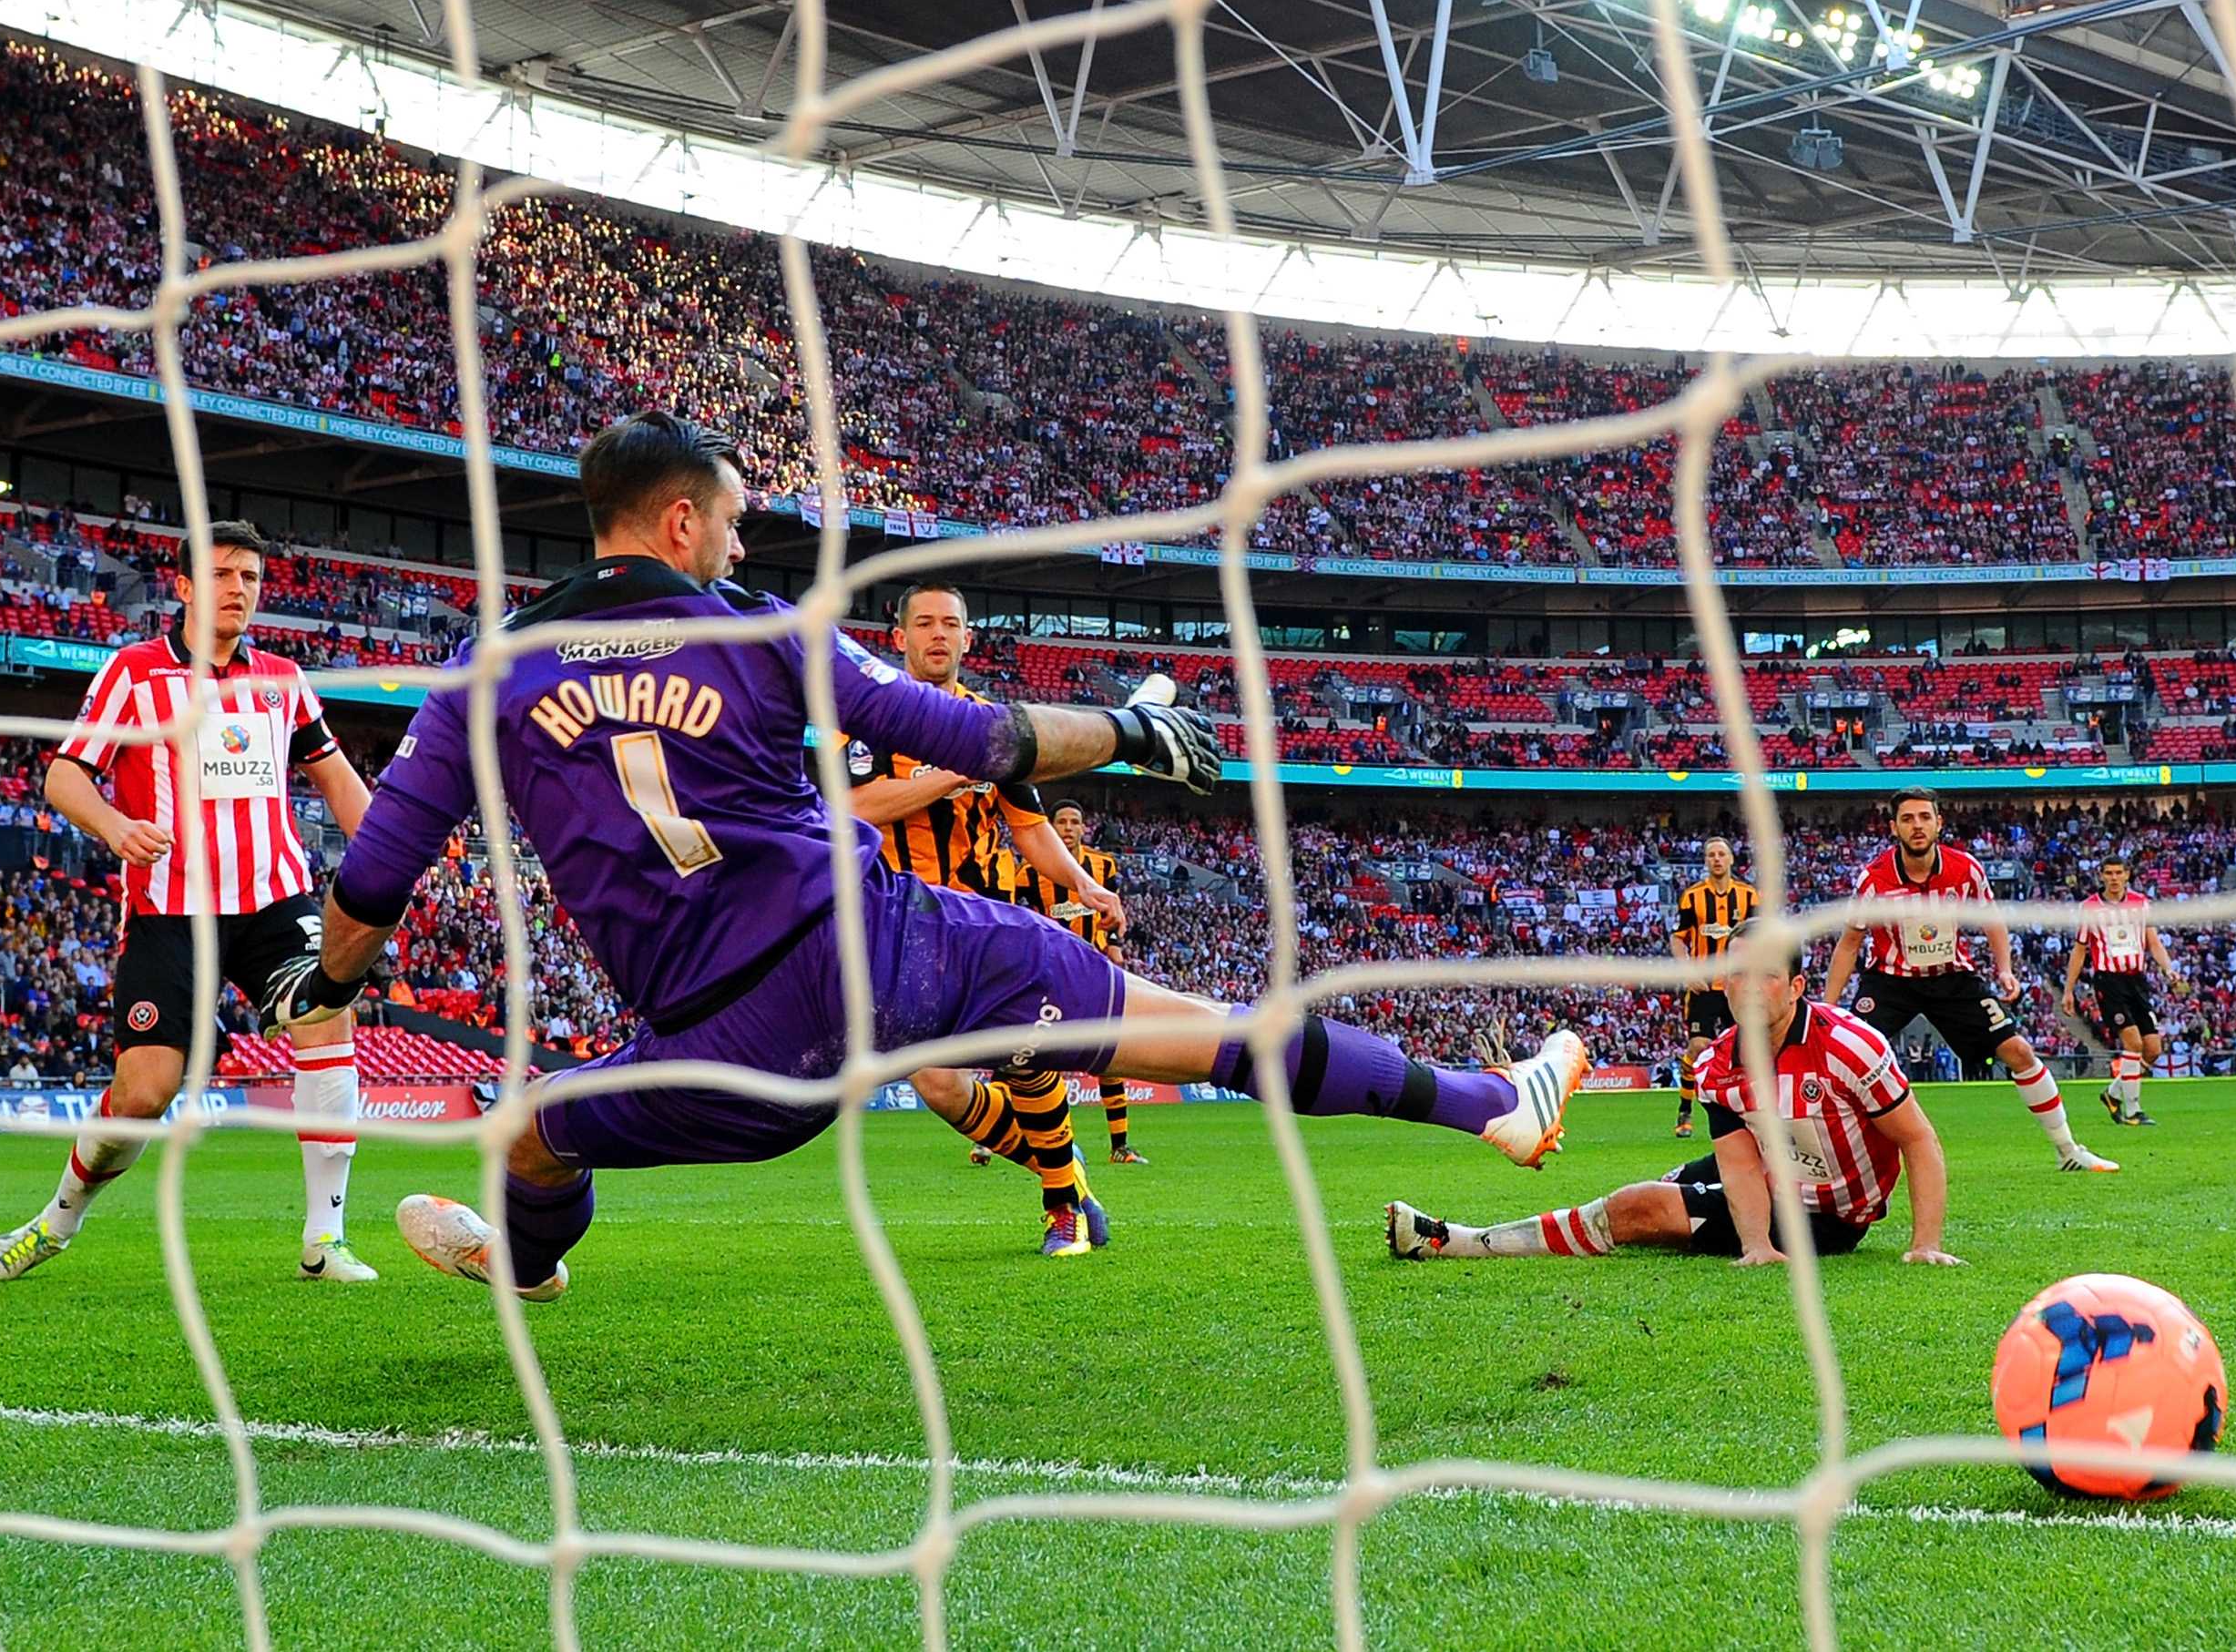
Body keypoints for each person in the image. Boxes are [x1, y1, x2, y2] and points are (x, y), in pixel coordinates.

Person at [272, 412, 1588, 1301]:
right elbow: (982, 734)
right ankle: (1486, 1104)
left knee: (533, 1132)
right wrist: (1132, 727)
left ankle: (530, 1268)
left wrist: (327, 990)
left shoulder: (484, 669)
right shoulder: (770, 629)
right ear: (677, 523)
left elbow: (376, 876)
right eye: (731, 522)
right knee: (1208, 1031)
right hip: (893, 946)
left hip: (731, 1052)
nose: (743, 542)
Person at [0, 520, 381, 1284]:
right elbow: (64, 775)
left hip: (274, 899)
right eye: (223, 574)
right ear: (184, 585)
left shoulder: (283, 679)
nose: (239, 589)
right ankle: (56, 1222)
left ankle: (328, 1238)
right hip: (170, 910)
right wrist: (116, 825)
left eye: (251, 576)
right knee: (144, 1090)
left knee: (328, 1012)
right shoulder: (134, 672)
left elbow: (338, 782)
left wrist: (395, 860)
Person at [1386, 923, 1960, 1267]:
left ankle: (1460, 1243)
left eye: (1765, 974)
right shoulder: (1716, 1064)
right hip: (1770, 1158)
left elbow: (1918, 1137)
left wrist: (1925, 1242)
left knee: (1640, 1207)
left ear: (1796, 987)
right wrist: (1756, 1243)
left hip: (1827, 1211)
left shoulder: (1851, 1046)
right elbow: (1739, 1164)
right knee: (1667, 1186)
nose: (1748, 987)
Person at [841, 583, 1127, 1252]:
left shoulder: (992, 726)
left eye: (951, 624)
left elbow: (1028, 828)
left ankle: (1062, 1210)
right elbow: (854, 806)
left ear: (968, 639)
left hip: (977, 919)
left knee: (1022, 1052)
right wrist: (949, 774)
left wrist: (1085, 883)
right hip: (896, 927)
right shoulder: (870, 719)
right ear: (900, 638)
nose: (938, 634)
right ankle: (1066, 1177)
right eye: (924, 623)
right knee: (940, 1086)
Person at [1821, 788, 2118, 1174]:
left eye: (1925, 817)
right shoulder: (1874, 879)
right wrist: (1828, 1007)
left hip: (1952, 979)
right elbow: (1850, 942)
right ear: (1894, 827)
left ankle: (2068, 1150)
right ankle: (1834, 1163)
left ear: (1939, 823)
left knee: (2020, 1053)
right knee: (1846, 1062)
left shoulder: (1965, 869)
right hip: (1889, 982)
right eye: (1908, 819)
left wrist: (2005, 969)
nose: (1917, 826)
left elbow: (1992, 919)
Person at [1016, 798, 1148, 1165]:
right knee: (1021, 1048)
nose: (1069, 827)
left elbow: (1115, 912)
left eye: (1075, 821)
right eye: (1062, 822)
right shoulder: (1028, 873)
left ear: (1083, 828)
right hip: (1049, 974)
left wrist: (1116, 946)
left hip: (1093, 972)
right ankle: (992, 1139)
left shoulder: (1103, 867)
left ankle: (1120, 1146)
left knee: (1109, 1054)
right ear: (1053, 827)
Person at [2061, 852, 2189, 1129]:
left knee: (2153, 1049)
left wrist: (2168, 968)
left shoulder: (2141, 904)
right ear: (2101, 875)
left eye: (2119, 873)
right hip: (2109, 982)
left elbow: (2153, 942)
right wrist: (2068, 990)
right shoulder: (2090, 908)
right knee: (2134, 1044)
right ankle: (2132, 1111)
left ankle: (2113, 1093)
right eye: (2109, 873)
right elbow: (2080, 949)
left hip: (2137, 981)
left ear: (2127, 875)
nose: (2114, 878)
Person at [1669, 836, 1755, 1140]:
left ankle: (1743, 1113)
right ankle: (1685, 1109)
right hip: (1704, 986)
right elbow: (1678, 938)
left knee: (1746, 1049)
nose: (1716, 859)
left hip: (1738, 986)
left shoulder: (1749, 896)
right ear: (1705, 861)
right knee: (1698, 1046)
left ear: (1731, 859)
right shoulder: (1693, 897)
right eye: (1711, 855)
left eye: (1721, 854)